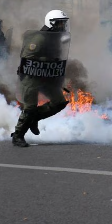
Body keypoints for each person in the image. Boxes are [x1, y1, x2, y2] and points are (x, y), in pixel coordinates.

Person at [11, 10, 71, 148]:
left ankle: (34, 118)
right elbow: (28, 57)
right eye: (60, 23)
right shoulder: (39, 38)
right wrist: (47, 62)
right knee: (30, 107)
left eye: (64, 23)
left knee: (59, 102)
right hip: (31, 77)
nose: (63, 26)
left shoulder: (55, 38)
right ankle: (18, 135)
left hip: (46, 77)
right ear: (51, 23)